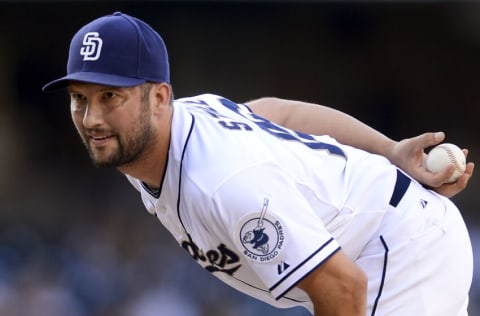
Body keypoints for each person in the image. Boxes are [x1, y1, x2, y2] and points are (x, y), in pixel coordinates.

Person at [43, 12, 475, 316]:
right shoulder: (176, 126)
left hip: (398, 252)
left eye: (110, 97)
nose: (91, 117)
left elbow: (345, 286)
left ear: (158, 98)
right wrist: (390, 149)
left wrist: (390, 153)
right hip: (387, 245)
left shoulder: (223, 181)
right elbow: (277, 113)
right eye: (79, 98)